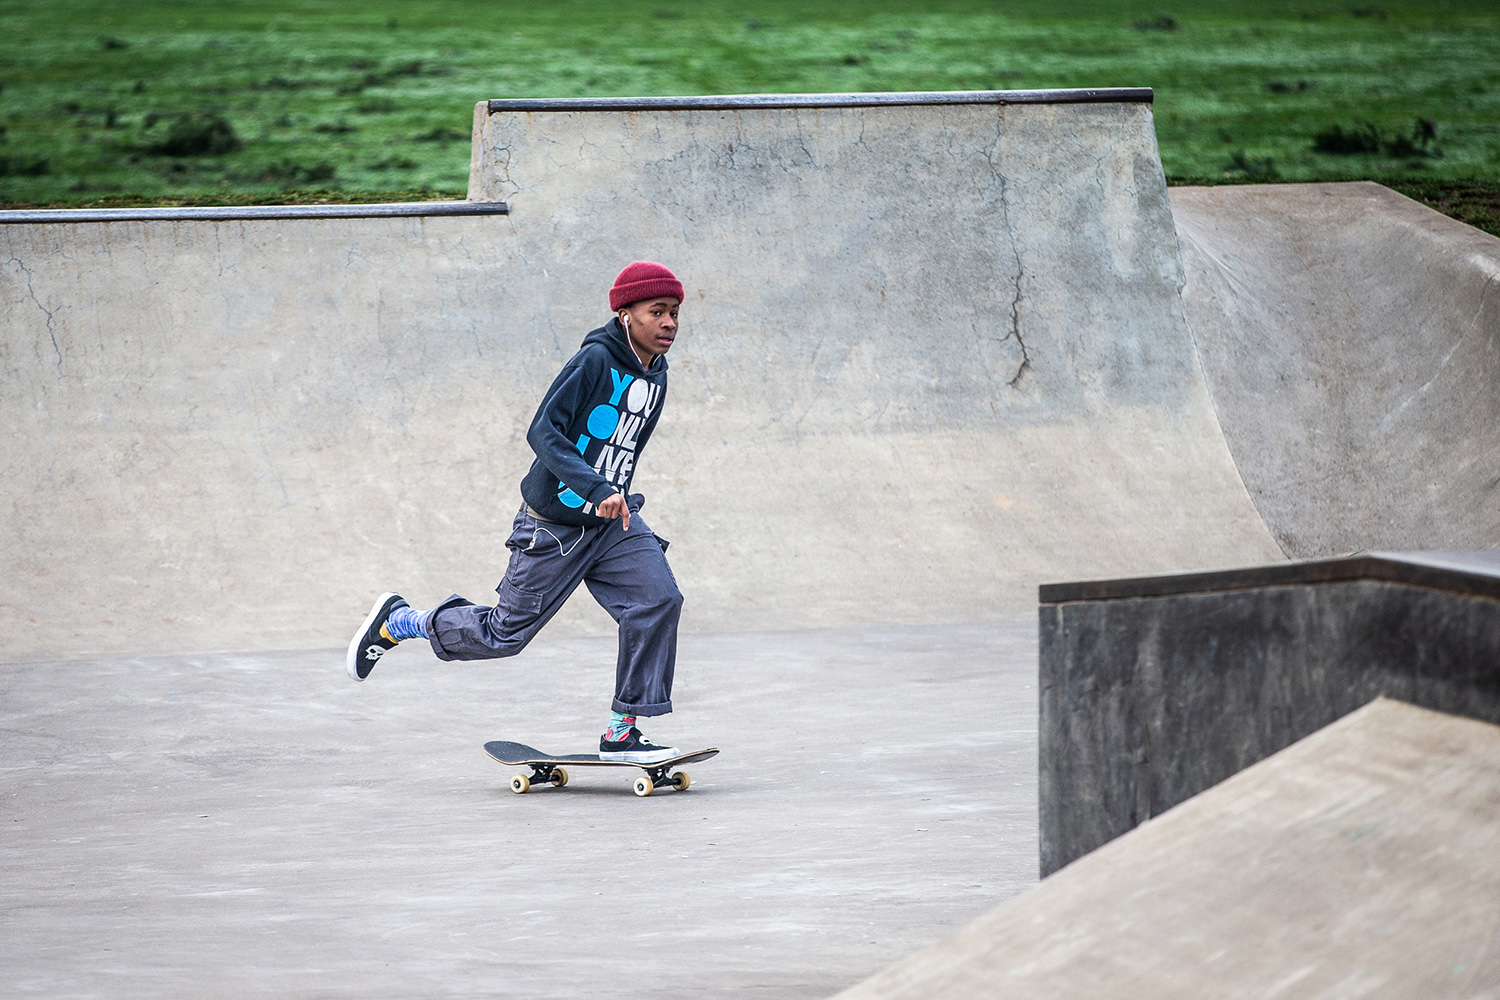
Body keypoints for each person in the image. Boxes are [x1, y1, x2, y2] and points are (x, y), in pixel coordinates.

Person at [346, 261, 687, 764]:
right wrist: (594, 487)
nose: (669, 324)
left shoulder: (655, 373)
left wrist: (613, 497)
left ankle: (622, 731)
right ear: (624, 314)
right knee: (503, 634)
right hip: (553, 526)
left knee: (658, 600)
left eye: (676, 314)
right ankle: (402, 622)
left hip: (612, 525)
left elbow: (623, 448)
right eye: (657, 312)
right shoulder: (594, 360)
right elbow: (543, 432)